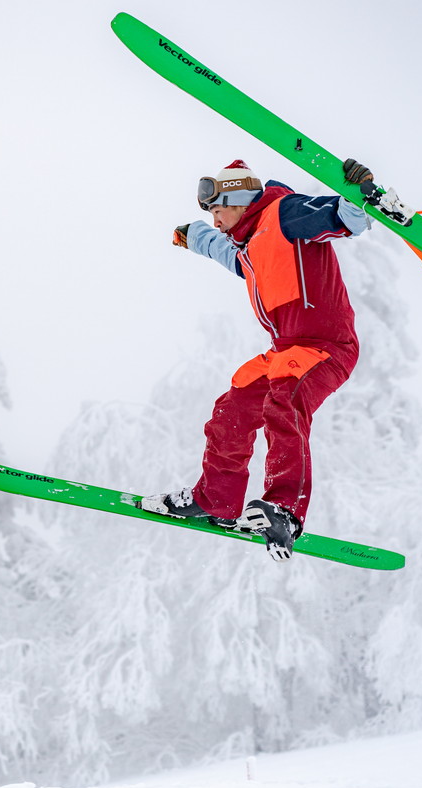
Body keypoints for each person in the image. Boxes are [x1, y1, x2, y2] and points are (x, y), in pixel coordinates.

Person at [140, 158, 377, 560]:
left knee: (285, 403)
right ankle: (216, 499)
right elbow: (221, 250)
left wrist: (360, 191)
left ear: (238, 199)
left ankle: (284, 509)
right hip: (287, 350)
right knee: (232, 408)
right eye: (210, 215)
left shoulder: (284, 214)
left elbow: (346, 218)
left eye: (218, 211)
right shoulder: (248, 246)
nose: (216, 221)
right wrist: (192, 235)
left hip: (326, 346)